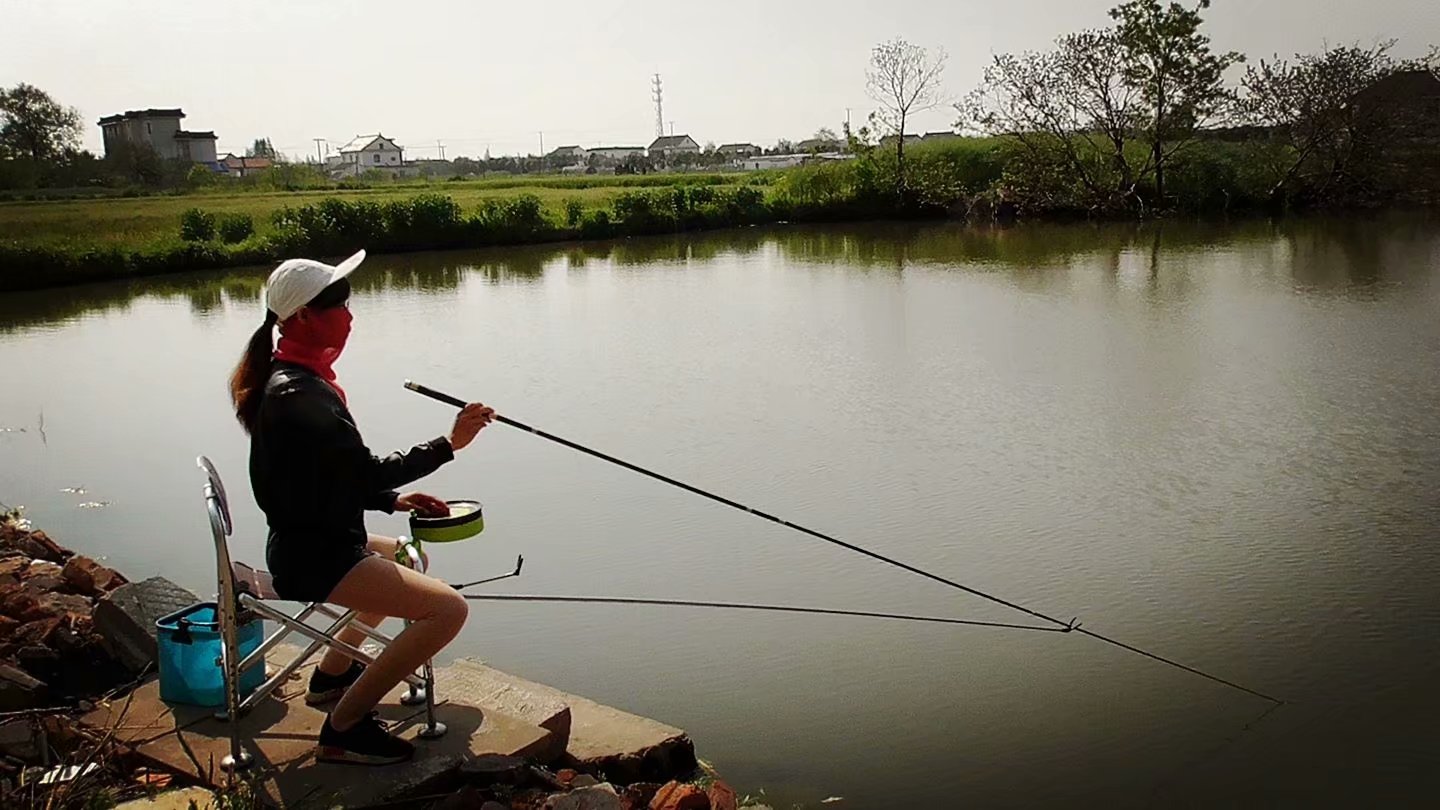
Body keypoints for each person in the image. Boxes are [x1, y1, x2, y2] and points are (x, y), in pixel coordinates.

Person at [228, 249, 494, 765]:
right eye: (339, 305)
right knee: (448, 609)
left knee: (407, 558)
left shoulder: (298, 382)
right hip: (318, 555)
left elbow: (332, 477)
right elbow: (365, 469)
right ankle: (344, 729)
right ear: (303, 316)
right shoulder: (298, 394)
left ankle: (332, 676)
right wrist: (449, 443)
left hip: (313, 539)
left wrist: (392, 501)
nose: (350, 316)